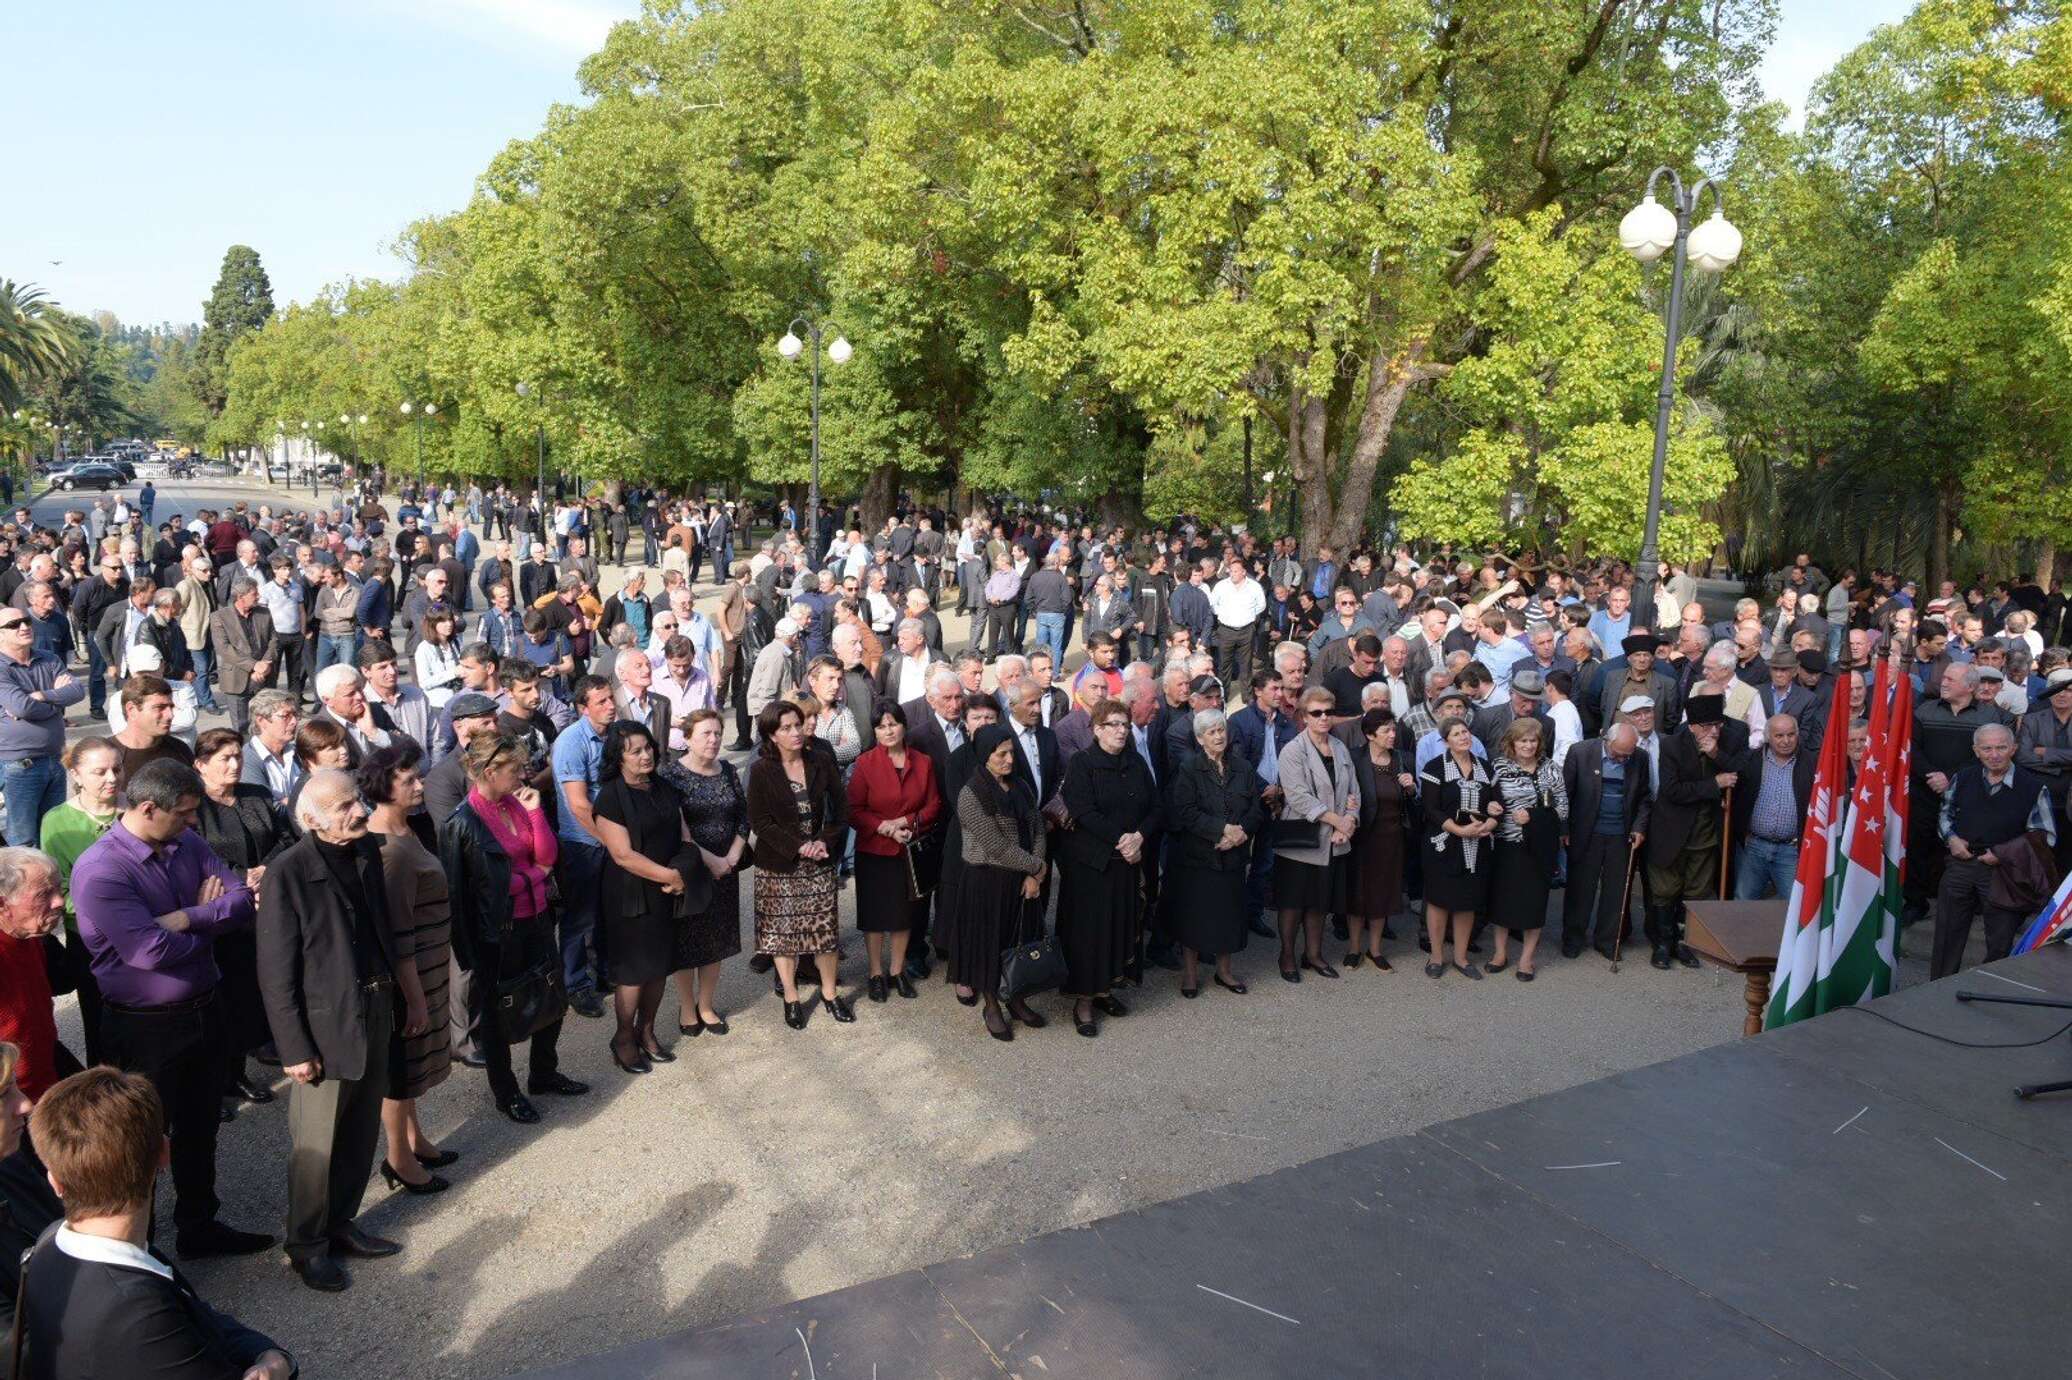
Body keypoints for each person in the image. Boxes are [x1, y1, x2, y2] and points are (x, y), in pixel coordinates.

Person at [70, 759, 271, 1261]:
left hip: (205, 1009)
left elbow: (241, 900)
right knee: (141, 1141)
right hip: (145, 1030)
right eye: (183, 813)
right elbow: (149, 951)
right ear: (147, 808)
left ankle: (198, 1227)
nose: (193, 821)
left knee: (200, 1129)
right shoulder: (102, 870)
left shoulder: (187, 842)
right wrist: (209, 923)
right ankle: (139, 1248)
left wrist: (186, 917)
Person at [18, 1068, 294, 1379]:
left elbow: (196, 1313)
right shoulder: (139, 1312)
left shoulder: (49, 1242)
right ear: (164, 1153)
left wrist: (262, 1350)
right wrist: (280, 1364)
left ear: (55, 1182)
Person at [255, 769, 402, 1291]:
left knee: (361, 1131)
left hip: (375, 1008)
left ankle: (340, 1223)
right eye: (343, 807)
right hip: (325, 1027)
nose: (359, 811)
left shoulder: (364, 852)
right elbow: (276, 973)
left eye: (357, 800)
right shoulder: (287, 873)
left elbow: (381, 932)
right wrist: (294, 1047)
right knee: (316, 1149)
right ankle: (306, 1245)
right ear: (311, 820)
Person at [440, 731, 584, 1124]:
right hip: (497, 933)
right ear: (490, 771)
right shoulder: (461, 823)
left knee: (553, 995)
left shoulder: (517, 802)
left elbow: (548, 855)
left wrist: (535, 812)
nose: (523, 775)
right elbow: (468, 891)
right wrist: (534, 876)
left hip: (537, 917)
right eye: (515, 769)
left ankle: (543, 1074)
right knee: (496, 1014)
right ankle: (506, 1093)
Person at [359, 746, 457, 1196]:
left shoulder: (405, 829)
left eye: (419, 777)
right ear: (384, 787)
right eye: (409, 780)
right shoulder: (390, 850)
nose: (420, 785)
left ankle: (415, 1141)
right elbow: (397, 936)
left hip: (428, 968)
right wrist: (414, 999)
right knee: (400, 1072)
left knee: (413, 1068)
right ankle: (398, 1158)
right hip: (409, 977)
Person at [192, 728, 291, 1111]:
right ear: (201, 765)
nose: (235, 764)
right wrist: (240, 877)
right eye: (225, 759)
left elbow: (286, 838)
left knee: (258, 986)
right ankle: (223, 1078)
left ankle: (249, 1057)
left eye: (237, 756)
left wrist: (266, 869)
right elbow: (197, 856)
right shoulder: (196, 807)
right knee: (228, 995)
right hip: (222, 914)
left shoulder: (256, 795)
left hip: (267, 903)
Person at [592, 722, 699, 1074]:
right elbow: (622, 855)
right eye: (635, 751)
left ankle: (647, 1032)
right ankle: (623, 1038)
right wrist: (670, 876)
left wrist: (680, 873)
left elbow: (684, 834)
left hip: (667, 891)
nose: (645, 755)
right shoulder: (610, 797)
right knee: (634, 971)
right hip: (630, 895)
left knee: (660, 966)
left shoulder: (663, 787)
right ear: (618, 758)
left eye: (648, 747)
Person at [1056, 695, 1162, 1031]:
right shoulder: (1082, 763)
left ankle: (1106, 988)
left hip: (1128, 861)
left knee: (1119, 927)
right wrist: (1123, 840)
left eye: (1125, 725)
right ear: (1096, 729)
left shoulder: (1135, 762)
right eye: (1113, 724)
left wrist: (1140, 837)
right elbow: (1083, 811)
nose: (1121, 730)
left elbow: (1156, 807)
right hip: (1092, 864)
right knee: (1091, 933)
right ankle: (1084, 1000)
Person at [746, 701, 853, 1028]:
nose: (796, 732)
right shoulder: (761, 770)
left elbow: (841, 811)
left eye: (798, 724)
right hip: (779, 865)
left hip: (819, 861)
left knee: (825, 933)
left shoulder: (821, 760)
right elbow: (760, 822)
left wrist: (823, 841)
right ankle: (791, 997)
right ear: (771, 735)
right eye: (786, 728)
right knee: (782, 935)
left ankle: (830, 994)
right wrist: (798, 846)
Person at [947, 723, 1049, 1042]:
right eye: (1001, 754)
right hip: (986, 880)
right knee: (988, 944)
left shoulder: (1021, 786)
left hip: (1022, 880)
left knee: (1017, 941)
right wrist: (1037, 867)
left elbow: (1037, 829)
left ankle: (1016, 998)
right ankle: (991, 1005)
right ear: (985, 755)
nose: (1009, 760)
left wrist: (1033, 874)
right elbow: (996, 846)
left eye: (1012, 753)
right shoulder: (971, 794)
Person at [1932, 722, 2056, 979]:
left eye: (2001, 747)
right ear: (1976, 751)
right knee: (1947, 935)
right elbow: (1945, 813)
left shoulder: (2034, 787)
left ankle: (1988, 991)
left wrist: (2003, 853)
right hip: (1961, 866)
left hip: (2004, 874)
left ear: (2014, 748)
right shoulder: (1962, 778)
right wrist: (1951, 838)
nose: (1994, 754)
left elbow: (2044, 836)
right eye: (1987, 749)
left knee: (1999, 943)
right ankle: (1937, 987)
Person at [1162, 704, 1263, 1001]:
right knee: (1195, 916)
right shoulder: (1189, 769)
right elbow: (1185, 811)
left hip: (1233, 856)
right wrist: (1222, 830)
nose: (1218, 736)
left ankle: (1224, 971)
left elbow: (1255, 808)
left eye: (1221, 730)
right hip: (1199, 857)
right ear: (1200, 739)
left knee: (1228, 916)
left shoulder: (1243, 767)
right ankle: (1191, 974)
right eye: (1211, 732)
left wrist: (1240, 833)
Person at [657, 709, 748, 1036]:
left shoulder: (728, 770)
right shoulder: (671, 775)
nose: (713, 740)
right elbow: (677, 829)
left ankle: (706, 1005)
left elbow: (743, 816)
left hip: (727, 869)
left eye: (717, 733)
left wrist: (733, 856)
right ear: (687, 738)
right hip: (691, 869)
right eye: (706, 734)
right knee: (687, 941)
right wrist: (713, 861)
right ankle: (686, 1006)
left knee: (715, 940)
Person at [846, 701, 940, 1003]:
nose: (888, 731)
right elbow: (854, 809)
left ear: (903, 726)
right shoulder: (865, 763)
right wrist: (885, 827)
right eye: (881, 726)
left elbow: (934, 805)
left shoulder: (923, 762)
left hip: (909, 850)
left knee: (904, 914)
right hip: (874, 850)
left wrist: (907, 822)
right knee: (874, 915)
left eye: (893, 724)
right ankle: (876, 973)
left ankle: (897, 970)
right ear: (874, 731)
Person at [40, 740, 122, 1066]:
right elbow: (58, 888)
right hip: (91, 942)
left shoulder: (137, 808)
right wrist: (116, 910)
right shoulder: (57, 820)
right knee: (101, 1027)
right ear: (75, 774)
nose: (112, 778)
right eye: (100, 772)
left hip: (145, 931)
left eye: (117, 769)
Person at [1273, 686, 1359, 982]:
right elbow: (1298, 797)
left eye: (1328, 712)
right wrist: (1339, 821)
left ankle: (1313, 954)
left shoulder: (1340, 747)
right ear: (1304, 717)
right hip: (1301, 840)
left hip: (1333, 841)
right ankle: (1287, 955)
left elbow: (1354, 790)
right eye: (1316, 712)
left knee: (1320, 902)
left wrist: (1351, 820)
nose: (1324, 717)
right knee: (1293, 903)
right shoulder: (1293, 750)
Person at [1645, 695, 1736, 970]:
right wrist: (1714, 784)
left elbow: (1741, 771)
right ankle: (1663, 944)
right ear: (1693, 726)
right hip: (1671, 831)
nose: (1714, 731)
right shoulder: (1672, 745)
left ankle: (1685, 944)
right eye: (1708, 726)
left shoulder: (1726, 743)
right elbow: (1672, 790)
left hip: (1704, 834)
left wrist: (1717, 755)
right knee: (1665, 889)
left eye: (1718, 724)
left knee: (1697, 892)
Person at [550, 676, 617, 1019]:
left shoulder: (614, 734)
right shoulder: (571, 742)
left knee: (606, 912)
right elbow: (578, 804)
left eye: (611, 698)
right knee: (580, 918)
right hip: (583, 843)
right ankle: (574, 983)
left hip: (609, 839)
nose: (611, 705)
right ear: (582, 708)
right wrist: (610, 840)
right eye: (601, 701)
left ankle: (603, 971)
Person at [1485, 718, 1568, 981]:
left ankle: (1526, 959)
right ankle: (1500, 954)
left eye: (1533, 740)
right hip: (1507, 845)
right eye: (1523, 740)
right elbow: (1487, 799)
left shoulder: (1551, 768)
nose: (1528, 745)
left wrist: (1533, 816)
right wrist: (1489, 807)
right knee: (1503, 902)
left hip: (1540, 848)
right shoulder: (1499, 767)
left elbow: (1563, 809)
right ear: (1512, 742)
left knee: (1534, 904)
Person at [1561, 722, 1652, 960]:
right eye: (1618, 754)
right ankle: (1573, 938)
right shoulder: (1580, 752)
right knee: (1581, 888)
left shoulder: (1639, 758)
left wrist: (1639, 827)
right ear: (1606, 741)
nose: (1622, 760)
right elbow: (1565, 794)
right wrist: (1564, 828)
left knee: (1616, 891)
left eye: (1627, 756)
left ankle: (1608, 941)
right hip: (1586, 832)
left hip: (1621, 834)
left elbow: (1644, 797)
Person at [1419, 716, 1502, 980]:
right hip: (1443, 843)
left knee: (1467, 901)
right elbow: (1430, 808)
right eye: (1456, 734)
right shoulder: (1435, 767)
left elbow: (1498, 805)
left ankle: (1461, 957)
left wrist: (1490, 822)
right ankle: (1436, 956)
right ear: (1445, 741)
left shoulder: (1485, 768)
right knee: (1439, 900)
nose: (1463, 737)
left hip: (1478, 845)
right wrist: (1459, 830)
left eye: (1465, 732)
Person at [0, 602, 84, 845]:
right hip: (19, 765)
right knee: (23, 840)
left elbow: (78, 691)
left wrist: (41, 696)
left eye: (26, 621)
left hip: (55, 759)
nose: (24, 626)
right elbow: (22, 707)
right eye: (14, 624)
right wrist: (57, 701)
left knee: (52, 834)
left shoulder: (48, 658)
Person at [0, 850, 68, 1113]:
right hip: (14, 1103)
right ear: (3, 905)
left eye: (59, 889)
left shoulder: (31, 936)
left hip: (46, 1080)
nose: (59, 901)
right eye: (43, 894)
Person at [1347, 708, 1412, 970]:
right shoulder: (1355, 758)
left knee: (1382, 895)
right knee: (1357, 894)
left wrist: (1411, 787)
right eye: (1386, 730)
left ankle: (1374, 949)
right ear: (1370, 734)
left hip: (1392, 838)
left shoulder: (1402, 759)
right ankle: (1354, 948)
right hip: (1362, 837)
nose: (1393, 735)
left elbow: (1411, 801)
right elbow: (1345, 790)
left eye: (1394, 729)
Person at [208, 575, 278, 733]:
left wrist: (265, 664)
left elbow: (274, 640)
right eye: (254, 593)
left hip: (264, 677)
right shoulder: (219, 617)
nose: (258, 596)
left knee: (265, 724)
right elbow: (223, 648)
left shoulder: (264, 612)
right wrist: (254, 666)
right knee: (241, 728)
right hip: (237, 680)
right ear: (240, 597)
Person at [413, 607, 465, 711]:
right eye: (443, 621)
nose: (449, 624)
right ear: (432, 624)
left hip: (460, 700)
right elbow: (424, 683)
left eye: (450, 620)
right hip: (439, 705)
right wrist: (453, 673)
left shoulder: (456, 642)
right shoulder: (424, 648)